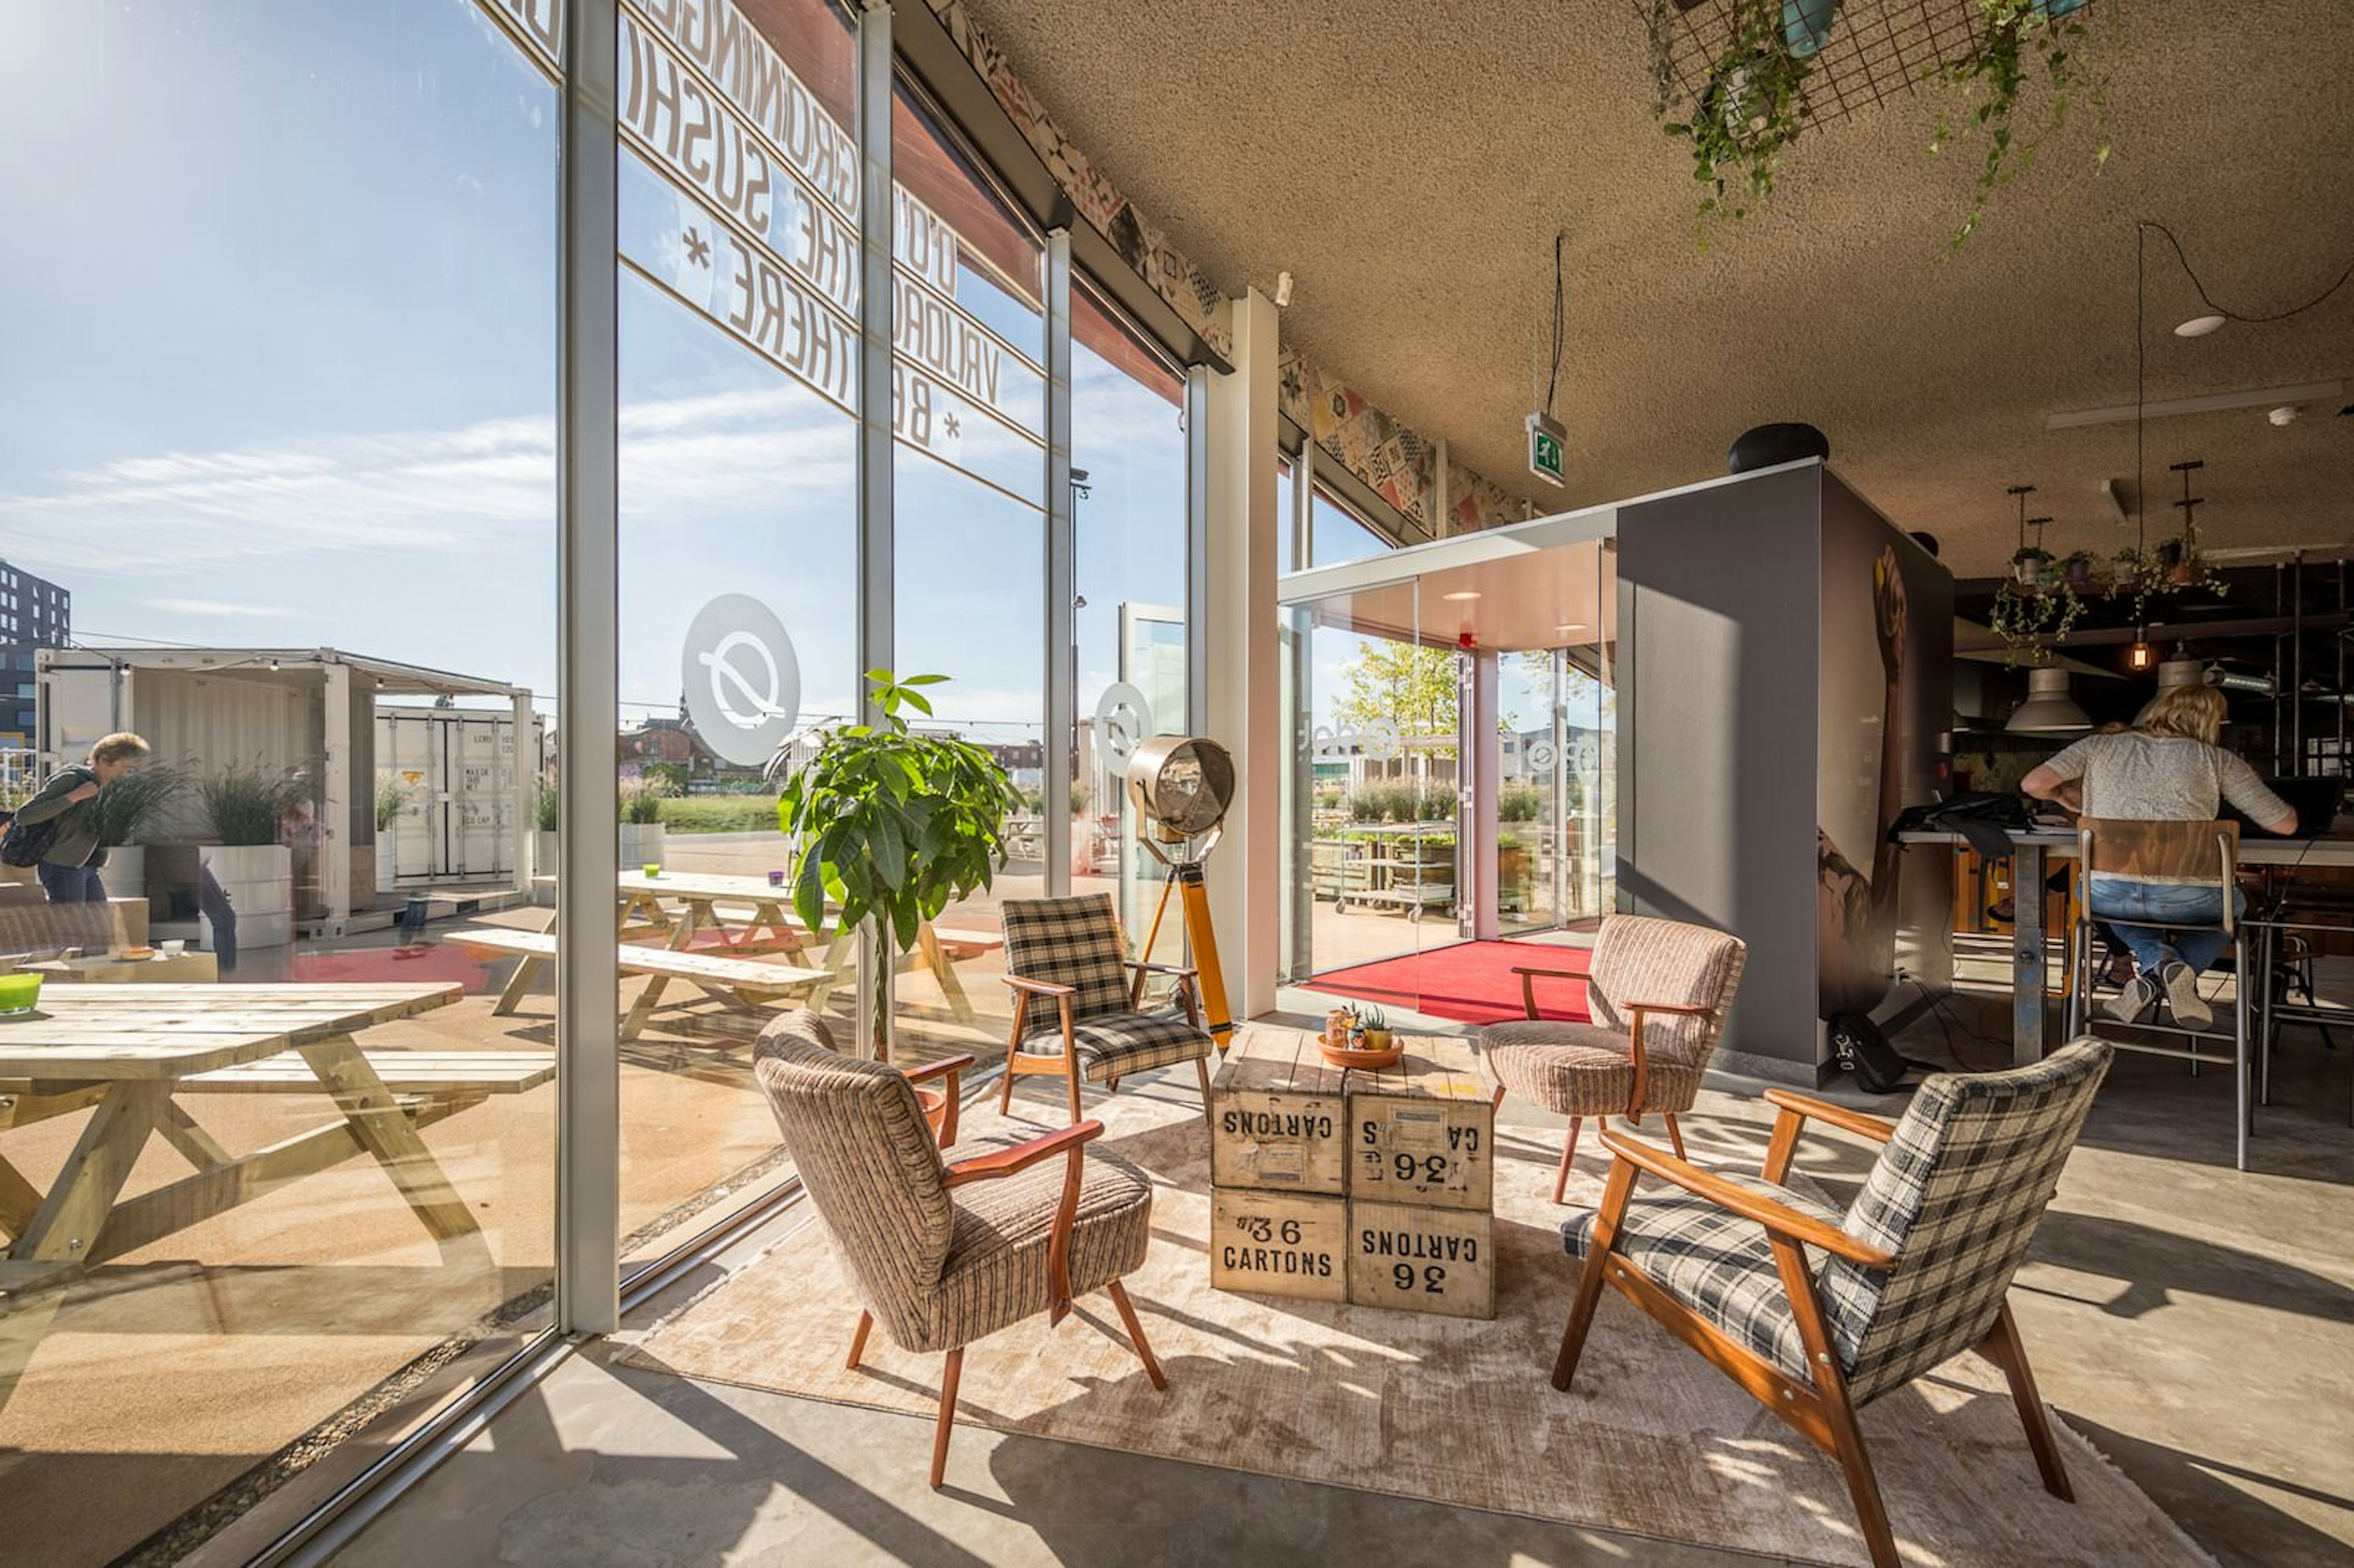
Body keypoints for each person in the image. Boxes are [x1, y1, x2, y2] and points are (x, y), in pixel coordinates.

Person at [2021, 687, 2294, 1029]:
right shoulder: (2217, 759)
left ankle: (2153, 975)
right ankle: (2165, 973)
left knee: (2090, 897)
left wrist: (2063, 797)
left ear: (2159, 711)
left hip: (2107, 894)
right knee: (2233, 909)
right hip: (2190, 898)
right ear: (2213, 722)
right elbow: (2285, 823)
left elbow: (2033, 783)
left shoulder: (2098, 746)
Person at [12, 733, 152, 904]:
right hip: (62, 866)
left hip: (89, 866)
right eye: (124, 768)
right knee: (71, 925)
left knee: (98, 925)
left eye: (132, 770)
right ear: (103, 760)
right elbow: (25, 816)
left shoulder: (110, 788)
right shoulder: (73, 779)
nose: (128, 774)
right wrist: (74, 797)